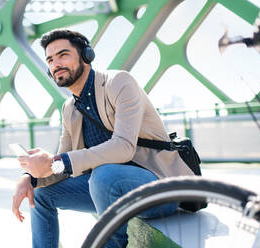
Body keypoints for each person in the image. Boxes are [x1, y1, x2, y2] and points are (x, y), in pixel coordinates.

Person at [12, 29, 194, 248]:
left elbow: (123, 147)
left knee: (103, 174)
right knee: (42, 195)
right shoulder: (69, 108)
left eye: (63, 55)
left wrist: (56, 162)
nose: (56, 63)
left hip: (158, 188)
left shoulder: (119, 82)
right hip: (108, 190)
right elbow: (63, 166)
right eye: (50, 60)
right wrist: (30, 178)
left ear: (86, 56)